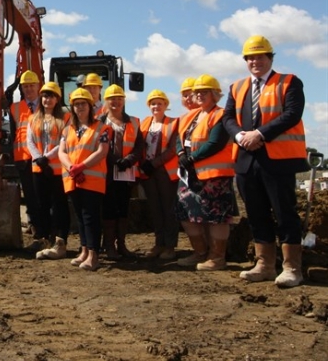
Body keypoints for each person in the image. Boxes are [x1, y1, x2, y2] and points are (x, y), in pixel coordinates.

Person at [223, 35, 309, 287]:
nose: (254, 61)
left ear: (270, 57)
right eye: (250, 57)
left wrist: (259, 134)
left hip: (278, 161)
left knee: (285, 214)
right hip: (246, 161)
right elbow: (228, 117)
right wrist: (240, 136)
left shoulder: (289, 82)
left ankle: (292, 268)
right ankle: (264, 265)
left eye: (259, 56)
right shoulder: (237, 87)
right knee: (256, 213)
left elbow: (292, 114)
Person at [175, 75, 235, 271]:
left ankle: (217, 258)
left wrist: (191, 158)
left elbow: (215, 143)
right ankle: (200, 253)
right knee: (186, 214)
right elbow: (179, 137)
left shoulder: (221, 115)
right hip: (190, 175)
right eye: (197, 92)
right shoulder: (191, 116)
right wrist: (181, 153)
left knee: (216, 217)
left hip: (214, 175)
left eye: (204, 92)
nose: (199, 95)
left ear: (215, 95)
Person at [58, 88, 110, 271]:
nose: (80, 107)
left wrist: (82, 167)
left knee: (91, 217)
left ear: (90, 106)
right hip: (73, 179)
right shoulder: (68, 129)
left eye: (83, 104)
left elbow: (102, 151)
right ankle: (85, 250)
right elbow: (61, 152)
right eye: (76, 104)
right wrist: (71, 168)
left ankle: (94, 255)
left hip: (92, 180)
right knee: (80, 217)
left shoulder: (102, 128)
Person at [98, 84, 143, 260]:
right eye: (112, 99)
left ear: (124, 100)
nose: (115, 102)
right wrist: (115, 160)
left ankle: (121, 244)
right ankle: (109, 246)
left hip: (126, 172)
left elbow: (139, 145)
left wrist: (130, 160)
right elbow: (97, 145)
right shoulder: (100, 122)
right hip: (106, 172)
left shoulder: (133, 121)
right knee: (108, 208)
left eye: (119, 98)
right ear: (106, 101)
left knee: (123, 208)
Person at [27, 82, 70, 260]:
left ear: (57, 99)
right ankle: (44, 239)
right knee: (41, 205)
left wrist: (48, 158)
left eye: (51, 96)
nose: (47, 99)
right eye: (45, 96)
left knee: (60, 205)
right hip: (39, 168)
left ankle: (60, 240)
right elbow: (29, 141)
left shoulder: (66, 118)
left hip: (58, 168)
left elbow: (64, 141)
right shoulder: (33, 118)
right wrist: (39, 158)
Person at [137, 90, 179, 260]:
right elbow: (139, 145)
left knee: (168, 209)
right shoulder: (145, 123)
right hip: (148, 172)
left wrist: (154, 164)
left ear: (166, 105)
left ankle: (170, 246)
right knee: (155, 209)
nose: (156, 106)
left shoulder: (173, 123)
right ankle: (158, 243)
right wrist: (143, 166)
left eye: (159, 103)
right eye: (153, 103)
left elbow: (173, 149)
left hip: (164, 172)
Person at [9, 70, 43, 250]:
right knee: (30, 197)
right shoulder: (14, 108)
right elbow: (14, 135)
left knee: (44, 197)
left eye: (32, 85)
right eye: (25, 86)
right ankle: (38, 234)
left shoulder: (47, 106)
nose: (29, 89)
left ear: (38, 86)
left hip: (43, 159)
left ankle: (48, 233)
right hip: (23, 159)